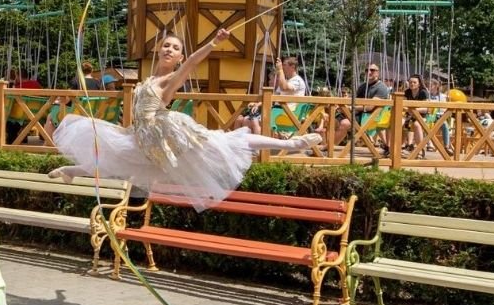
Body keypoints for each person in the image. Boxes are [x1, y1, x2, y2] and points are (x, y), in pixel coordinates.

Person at [48, 30, 321, 210]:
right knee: (114, 156)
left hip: (166, 136)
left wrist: (213, 43)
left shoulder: (169, 79)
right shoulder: (148, 79)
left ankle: (292, 143)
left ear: (179, 57)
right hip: (142, 137)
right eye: (166, 45)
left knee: (226, 140)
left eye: (175, 48)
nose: (169, 49)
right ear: (158, 49)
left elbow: (191, 63)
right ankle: (72, 171)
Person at [327, 63, 391, 146]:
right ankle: (327, 146)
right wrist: (342, 106)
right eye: (367, 70)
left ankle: (329, 148)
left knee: (344, 124)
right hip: (358, 114)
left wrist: (351, 108)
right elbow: (354, 100)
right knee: (329, 120)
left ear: (378, 73)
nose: (369, 72)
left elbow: (369, 107)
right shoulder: (363, 86)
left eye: (372, 70)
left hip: (369, 117)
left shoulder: (381, 88)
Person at [400, 75, 430, 155]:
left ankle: (420, 149)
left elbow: (426, 109)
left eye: (414, 82)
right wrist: (409, 110)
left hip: (422, 116)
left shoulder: (423, 92)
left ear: (419, 84)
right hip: (409, 115)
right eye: (410, 82)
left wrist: (413, 110)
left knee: (417, 125)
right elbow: (402, 105)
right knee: (399, 123)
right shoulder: (407, 92)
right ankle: (399, 147)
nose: (412, 84)